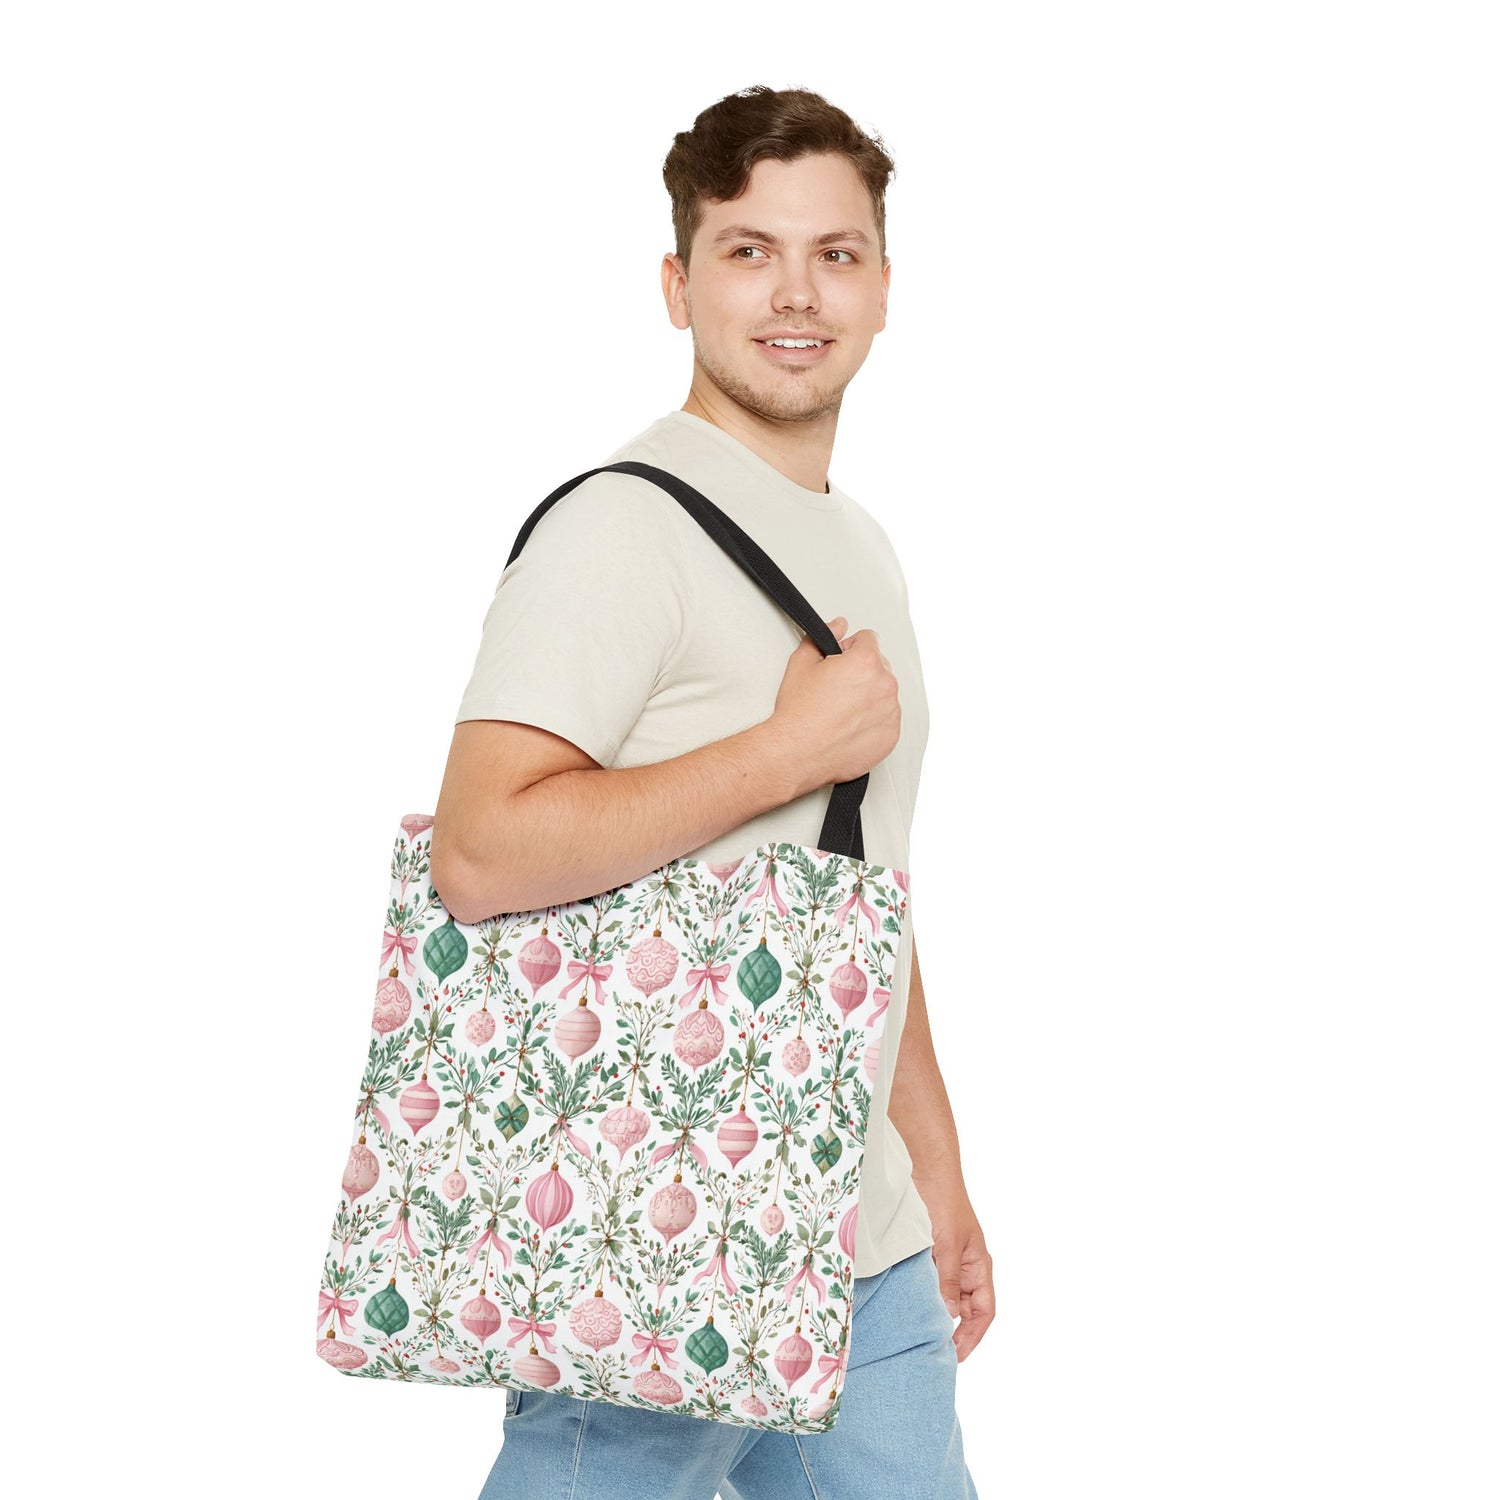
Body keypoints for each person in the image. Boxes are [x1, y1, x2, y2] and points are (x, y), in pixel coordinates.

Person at [432, 84, 990, 1500]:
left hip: (864, 1257)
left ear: (880, 287)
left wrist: (938, 1177)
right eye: (748, 251)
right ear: (678, 285)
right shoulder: (621, 527)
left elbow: (863, 886)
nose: (796, 293)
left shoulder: (860, 543)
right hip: (661, 1243)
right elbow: (483, 853)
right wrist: (780, 752)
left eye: (835, 253)